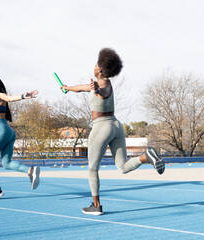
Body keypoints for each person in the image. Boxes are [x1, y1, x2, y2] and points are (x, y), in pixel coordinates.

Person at [61, 48, 165, 215]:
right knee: (123, 167)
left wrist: (97, 91)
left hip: (102, 127)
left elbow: (103, 92)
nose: (93, 67)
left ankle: (96, 206)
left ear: (100, 69)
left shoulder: (103, 84)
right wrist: (67, 87)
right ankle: (145, 157)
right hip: (116, 125)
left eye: (95, 65)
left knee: (92, 168)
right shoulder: (101, 83)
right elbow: (81, 88)